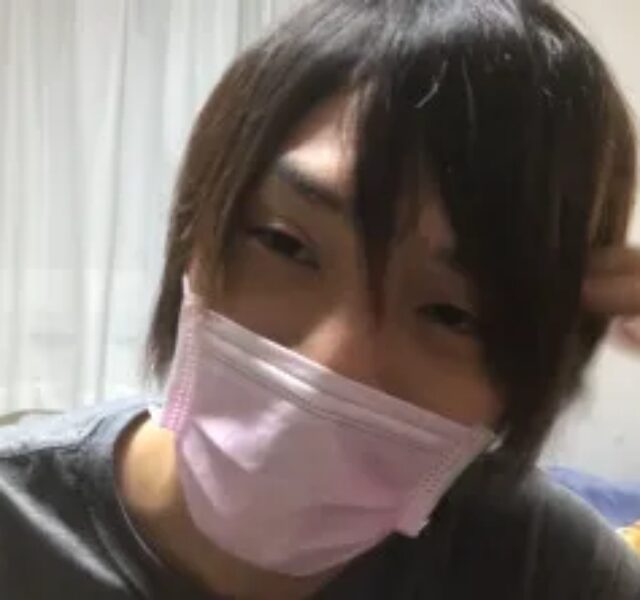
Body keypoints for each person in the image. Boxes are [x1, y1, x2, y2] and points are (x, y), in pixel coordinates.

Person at [1, 0, 640, 598]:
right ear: (197, 230)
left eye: (452, 313)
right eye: (285, 244)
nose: (330, 366)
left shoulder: (549, 572)